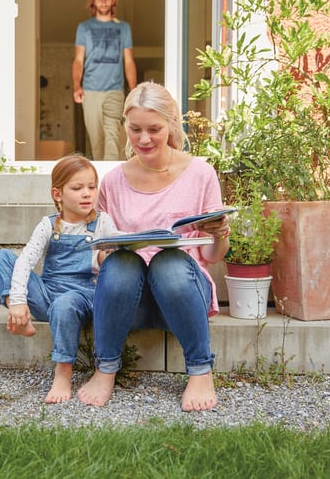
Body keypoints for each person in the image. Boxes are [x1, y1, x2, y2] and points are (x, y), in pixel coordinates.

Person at [77, 82, 231, 412]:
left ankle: (201, 371)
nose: (144, 139)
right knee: (121, 263)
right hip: (130, 302)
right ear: (125, 127)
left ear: (172, 124)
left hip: (182, 295)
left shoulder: (201, 173)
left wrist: (219, 234)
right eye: (135, 130)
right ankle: (105, 369)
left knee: (169, 262)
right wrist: (106, 250)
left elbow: (211, 257)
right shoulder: (115, 181)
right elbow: (100, 260)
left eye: (154, 129)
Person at [0, 154, 119, 404]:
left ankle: (63, 372)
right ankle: (19, 316)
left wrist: (105, 257)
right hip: (48, 295)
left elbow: (114, 256)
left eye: (92, 187)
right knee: (3, 258)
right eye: (77, 188)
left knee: (65, 304)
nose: (87, 194)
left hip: (83, 297)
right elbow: (25, 261)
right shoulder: (49, 225)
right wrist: (17, 300)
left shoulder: (103, 223)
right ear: (58, 194)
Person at [72, 0, 137, 161]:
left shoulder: (123, 28)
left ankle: (112, 182)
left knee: (112, 136)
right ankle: (101, 182)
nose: (103, 1)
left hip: (114, 90)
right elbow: (78, 60)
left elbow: (129, 61)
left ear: (113, 0)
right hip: (90, 90)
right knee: (96, 141)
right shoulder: (84, 28)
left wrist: (133, 90)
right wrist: (77, 85)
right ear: (93, 1)